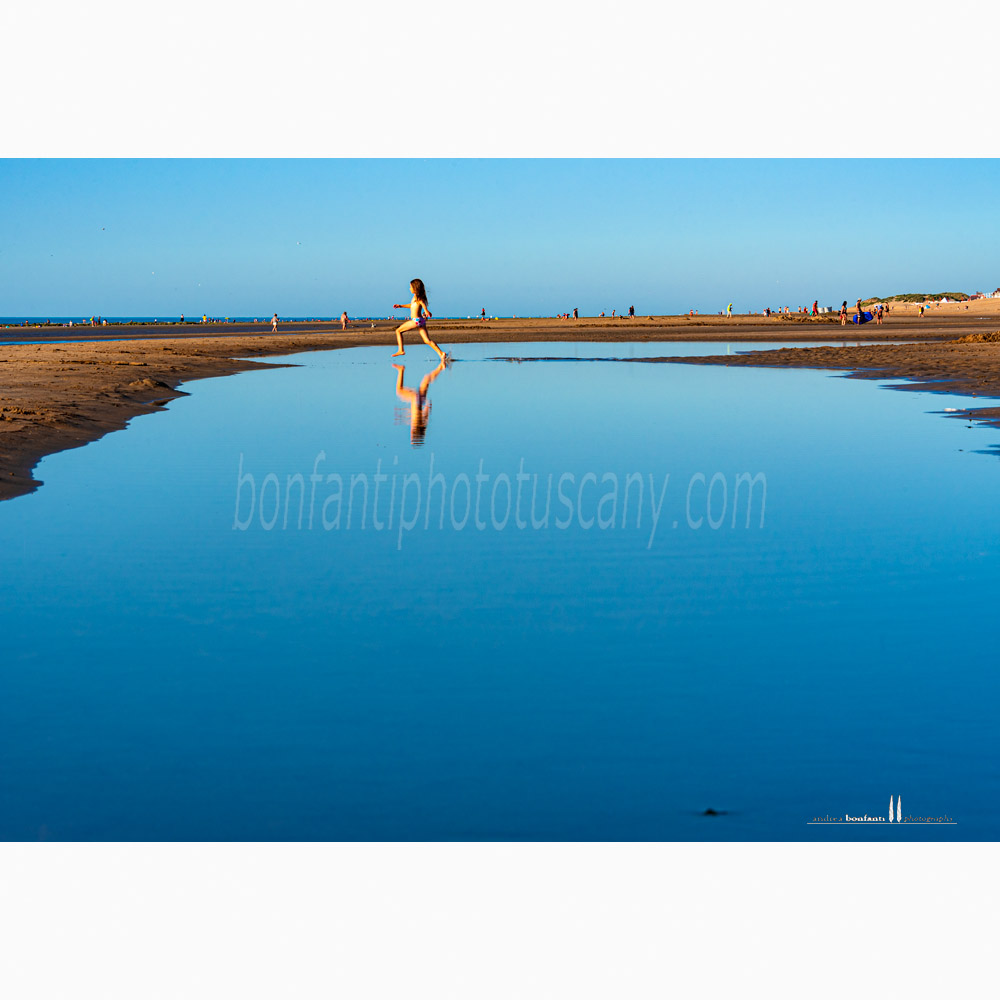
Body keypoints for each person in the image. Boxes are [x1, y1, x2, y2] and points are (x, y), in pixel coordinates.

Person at [393, 357, 447, 447]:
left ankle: (441, 367)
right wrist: (402, 416)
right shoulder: (415, 424)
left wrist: (403, 416)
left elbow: (417, 413)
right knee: (399, 390)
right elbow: (415, 414)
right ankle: (401, 370)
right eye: (411, 435)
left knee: (426, 379)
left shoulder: (422, 424)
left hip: (422, 400)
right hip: (415, 399)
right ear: (413, 432)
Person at [392, 278, 446, 361]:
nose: (409, 289)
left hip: (415, 321)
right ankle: (441, 353)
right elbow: (412, 305)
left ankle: (401, 350)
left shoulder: (418, 297)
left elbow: (422, 303)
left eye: (410, 287)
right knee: (427, 340)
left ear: (415, 288)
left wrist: (426, 310)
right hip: (421, 321)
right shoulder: (415, 297)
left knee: (398, 331)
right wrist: (401, 306)